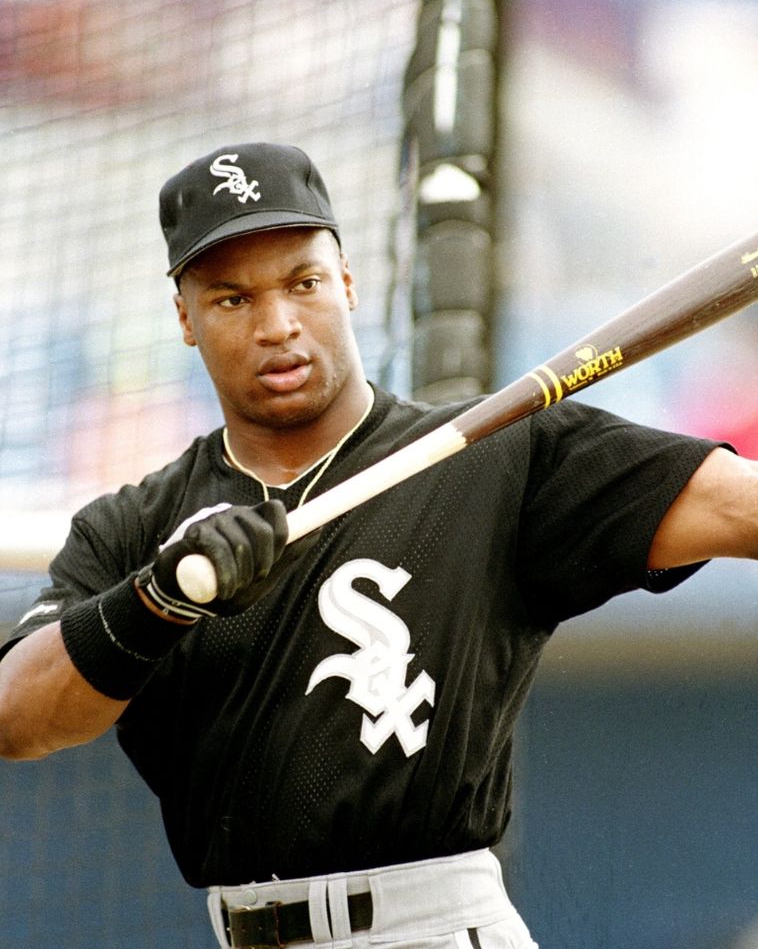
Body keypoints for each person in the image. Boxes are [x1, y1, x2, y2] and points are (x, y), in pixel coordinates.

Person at [0, 141, 756, 949]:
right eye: (232, 299)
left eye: (304, 282)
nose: (279, 324)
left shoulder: (497, 457)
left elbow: (739, 508)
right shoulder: (135, 527)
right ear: (185, 319)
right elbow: (17, 717)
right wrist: (161, 602)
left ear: (349, 283)